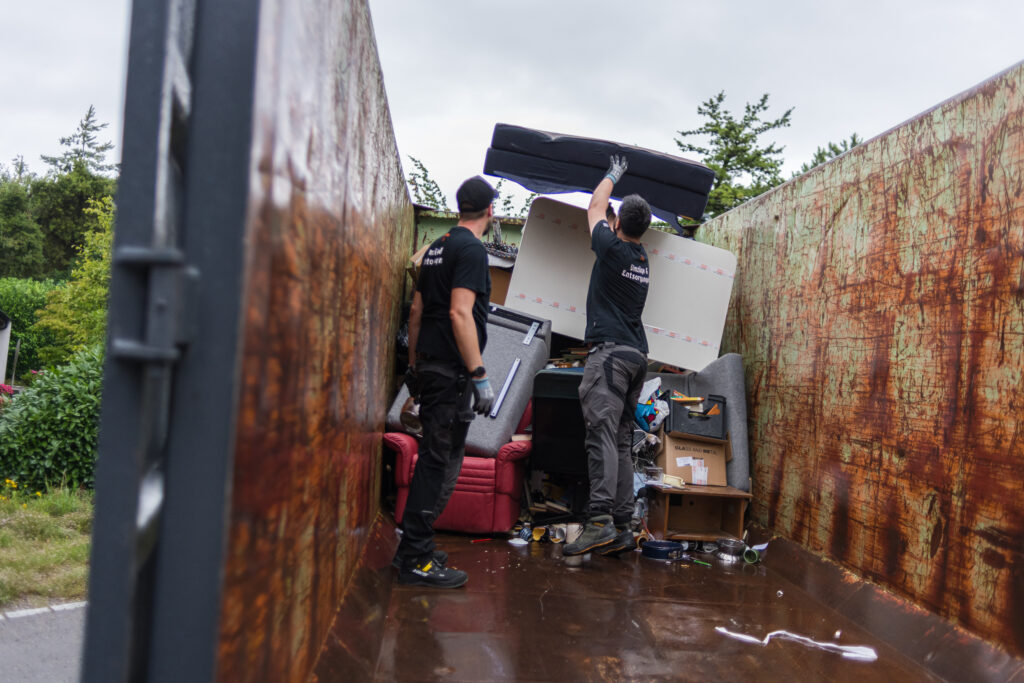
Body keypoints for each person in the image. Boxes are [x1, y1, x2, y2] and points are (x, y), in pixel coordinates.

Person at [394, 175, 498, 588]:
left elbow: (416, 313)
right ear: (491, 211)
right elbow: (460, 313)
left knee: (436, 462)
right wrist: (480, 375)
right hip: (454, 374)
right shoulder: (471, 249)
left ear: (459, 207)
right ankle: (416, 560)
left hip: (432, 369)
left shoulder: (436, 248)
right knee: (437, 466)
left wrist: (416, 368)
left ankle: (413, 549)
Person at [563, 155, 652, 557]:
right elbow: (610, 218)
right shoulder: (640, 259)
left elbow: (594, 207)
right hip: (635, 357)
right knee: (619, 440)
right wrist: (619, 219)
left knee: (600, 437)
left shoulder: (612, 250)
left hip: (610, 356)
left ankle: (598, 520)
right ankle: (620, 524)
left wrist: (613, 175)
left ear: (617, 226)